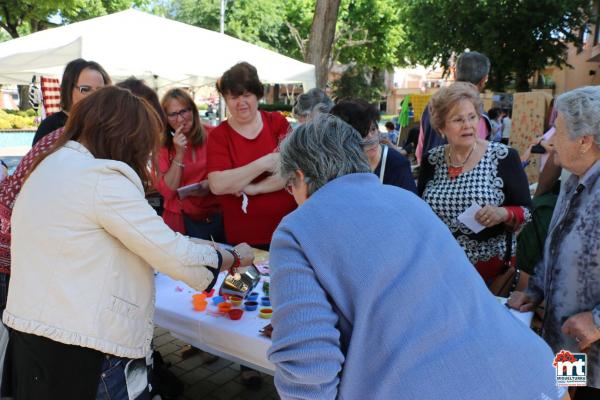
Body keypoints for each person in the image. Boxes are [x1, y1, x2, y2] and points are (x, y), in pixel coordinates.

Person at [268, 114, 562, 400]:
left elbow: (307, 368)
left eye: (289, 186)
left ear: (300, 176)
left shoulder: (297, 229)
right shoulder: (406, 200)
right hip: (534, 373)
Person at [1, 86, 254, 399]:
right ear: (125, 136)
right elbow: (175, 255)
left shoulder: (48, 166)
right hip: (85, 348)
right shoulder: (102, 177)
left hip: (32, 338)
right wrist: (231, 258)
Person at [207, 62, 296, 387]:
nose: (240, 102)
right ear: (225, 99)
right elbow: (217, 184)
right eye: (233, 96)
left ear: (257, 94)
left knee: (285, 295)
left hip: (285, 233)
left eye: (246, 94)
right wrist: (262, 163)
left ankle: (284, 354)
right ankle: (245, 360)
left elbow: (289, 171)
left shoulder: (276, 122)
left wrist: (252, 186)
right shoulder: (219, 135)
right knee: (238, 297)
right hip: (242, 241)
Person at [508, 86, 600, 399]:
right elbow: (557, 246)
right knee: (567, 394)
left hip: (595, 352)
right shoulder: (573, 180)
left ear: (585, 141)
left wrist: (598, 321)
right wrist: (534, 291)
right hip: (568, 345)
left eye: (557, 131)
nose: (548, 142)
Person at [418, 82, 531, 285]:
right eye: (458, 120)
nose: (468, 125)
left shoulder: (504, 156)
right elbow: (420, 211)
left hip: (490, 272)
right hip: (441, 268)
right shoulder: (431, 160)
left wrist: (503, 213)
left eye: (472, 117)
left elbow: (528, 210)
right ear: (442, 126)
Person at [156, 88, 223, 241]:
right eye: (173, 114)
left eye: (184, 111)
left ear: (193, 110)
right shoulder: (163, 146)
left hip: (214, 215)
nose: (180, 119)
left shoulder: (213, 135)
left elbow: (228, 172)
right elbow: (167, 191)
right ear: (165, 118)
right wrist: (179, 153)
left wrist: (210, 184)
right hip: (180, 219)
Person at [416, 51, 491, 164]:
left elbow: (420, 152)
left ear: (455, 75)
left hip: (430, 176)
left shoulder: (431, 107)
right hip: (462, 178)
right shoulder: (478, 114)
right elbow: (476, 159)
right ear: (483, 80)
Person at [330, 100, 417, 193]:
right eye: (361, 133)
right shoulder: (334, 164)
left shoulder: (397, 164)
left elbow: (411, 205)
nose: (370, 138)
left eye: (373, 129)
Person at [32, 58, 110, 145]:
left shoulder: (108, 125)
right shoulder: (51, 126)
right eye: (85, 89)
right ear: (69, 89)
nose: (94, 95)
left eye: (100, 90)